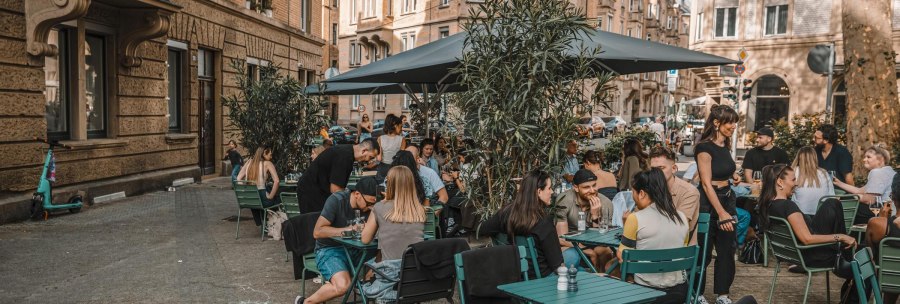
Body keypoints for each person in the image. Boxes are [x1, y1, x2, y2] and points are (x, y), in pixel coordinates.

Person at [758, 164, 856, 284]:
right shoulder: (788, 206)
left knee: (831, 203)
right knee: (865, 255)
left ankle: (846, 257)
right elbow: (807, 239)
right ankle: (845, 258)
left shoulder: (768, 206)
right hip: (812, 256)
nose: (797, 183)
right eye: (793, 179)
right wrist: (841, 237)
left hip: (796, 254)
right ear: (779, 182)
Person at [297, 176, 381, 304]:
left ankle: (365, 285)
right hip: (330, 250)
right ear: (357, 194)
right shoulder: (337, 200)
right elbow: (317, 232)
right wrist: (348, 229)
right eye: (369, 203)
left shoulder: (371, 207)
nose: (371, 208)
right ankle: (305, 302)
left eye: (374, 204)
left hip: (358, 249)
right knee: (343, 286)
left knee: (387, 252)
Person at [618, 168, 690, 303]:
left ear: (641, 193)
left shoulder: (635, 218)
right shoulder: (682, 217)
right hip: (679, 292)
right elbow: (681, 253)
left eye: (633, 192)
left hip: (644, 292)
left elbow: (623, 257)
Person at [694, 105, 741, 304]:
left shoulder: (725, 145)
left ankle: (723, 294)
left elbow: (723, 168)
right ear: (716, 123)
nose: (733, 126)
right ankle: (698, 294)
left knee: (727, 250)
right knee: (703, 252)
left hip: (727, 197)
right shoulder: (704, 147)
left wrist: (733, 174)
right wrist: (721, 213)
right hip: (708, 202)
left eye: (734, 122)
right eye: (729, 122)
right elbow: (705, 182)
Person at [479, 170, 564, 277]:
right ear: (538, 192)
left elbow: (483, 229)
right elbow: (557, 265)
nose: (552, 192)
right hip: (540, 279)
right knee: (575, 261)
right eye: (549, 188)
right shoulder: (544, 222)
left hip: (513, 273)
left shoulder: (505, 212)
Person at [297, 138, 380, 213]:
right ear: (364, 151)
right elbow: (336, 190)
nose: (369, 161)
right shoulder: (345, 157)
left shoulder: (347, 151)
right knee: (313, 223)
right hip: (311, 191)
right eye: (370, 157)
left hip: (315, 188)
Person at [555, 169, 615, 271]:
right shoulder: (564, 200)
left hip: (594, 243)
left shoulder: (606, 203)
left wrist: (595, 216)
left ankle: (601, 280)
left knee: (606, 252)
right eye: (586, 187)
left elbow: (603, 239)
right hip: (570, 242)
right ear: (576, 187)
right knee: (570, 255)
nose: (592, 190)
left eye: (594, 185)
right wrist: (588, 251)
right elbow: (562, 238)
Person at [361, 166, 425, 259]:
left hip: (390, 271)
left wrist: (386, 200)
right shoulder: (419, 209)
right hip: (415, 269)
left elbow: (365, 240)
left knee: (368, 269)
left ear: (388, 184)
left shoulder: (380, 207)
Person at [649, 147, 701, 245]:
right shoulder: (648, 188)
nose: (657, 173)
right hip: (651, 246)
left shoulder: (689, 192)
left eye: (661, 168)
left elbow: (678, 227)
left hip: (678, 251)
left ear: (674, 169)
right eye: (653, 169)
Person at [834, 145, 896, 223]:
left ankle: (843, 232)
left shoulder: (877, 173)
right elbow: (859, 190)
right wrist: (838, 183)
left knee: (841, 206)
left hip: (882, 212)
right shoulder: (889, 171)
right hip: (892, 211)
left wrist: (845, 197)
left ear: (880, 159)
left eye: (868, 157)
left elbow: (869, 200)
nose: (864, 159)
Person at [864, 173, 900, 304]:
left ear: (892, 196)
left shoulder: (876, 224)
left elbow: (870, 255)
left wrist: (883, 219)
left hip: (888, 280)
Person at [236, 146, 280, 226]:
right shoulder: (267, 163)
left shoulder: (249, 162)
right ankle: (272, 225)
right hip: (262, 199)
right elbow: (276, 181)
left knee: (265, 195)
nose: (271, 157)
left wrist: (244, 191)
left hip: (250, 200)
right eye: (270, 155)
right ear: (264, 153)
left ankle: (263, 223)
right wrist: (270, 196)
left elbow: (238, 178)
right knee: (279, 200)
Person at [791, 146, 835, 215]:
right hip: (823, 217)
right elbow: (832, 196)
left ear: (799, 158)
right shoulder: (824, 172)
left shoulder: (794, 171)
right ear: (814, 157)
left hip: (801, 216)